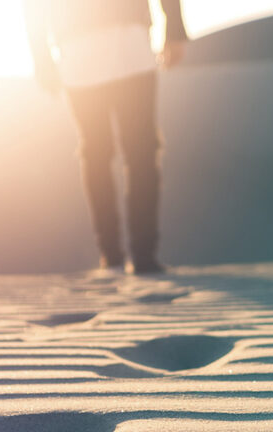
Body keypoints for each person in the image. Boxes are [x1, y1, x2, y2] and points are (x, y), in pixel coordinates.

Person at [24, 0, 188, 274]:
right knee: (135, 152)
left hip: (89, 50)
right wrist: (174, 30)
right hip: (117, 47)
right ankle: (140, 257)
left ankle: (113, 256)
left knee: (100, 152)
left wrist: (41, 58)